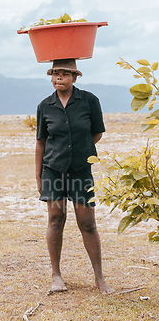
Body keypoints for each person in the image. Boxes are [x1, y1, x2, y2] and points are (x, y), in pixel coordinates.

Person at [35, 59, 114, 295]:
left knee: (87, 223)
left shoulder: (89, 100)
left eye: (65, 74)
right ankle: (56, 276)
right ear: (51, 77)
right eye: (55, 74)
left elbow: (96, 133)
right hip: (53, 170)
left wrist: (79, 148)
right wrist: (38, 175)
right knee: (56, 219)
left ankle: (99, 278)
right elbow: (41, 142)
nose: (59, 78)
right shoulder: (45, 106)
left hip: (81, 170)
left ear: (75, 78)